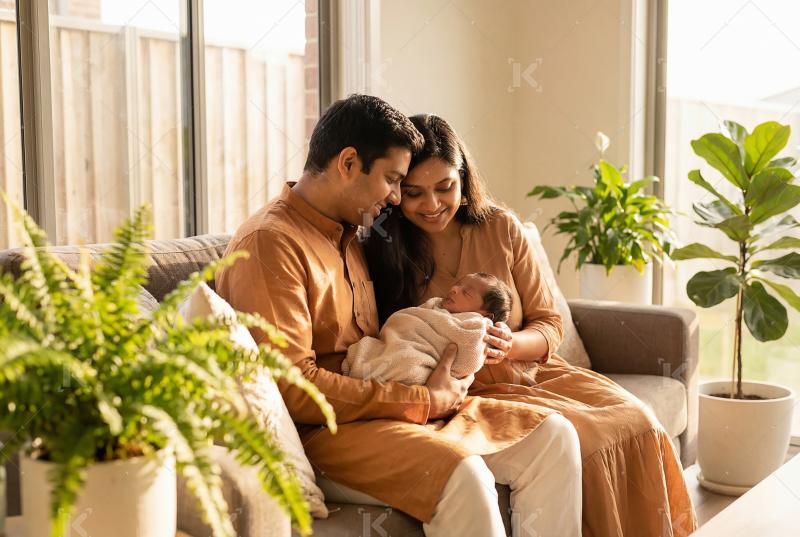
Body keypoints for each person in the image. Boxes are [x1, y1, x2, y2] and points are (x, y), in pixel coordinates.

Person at [216, 94, 582, 537]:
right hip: (329, 431)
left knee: (553, 437)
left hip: (390, 407)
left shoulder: (350, 233)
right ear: (348, 162)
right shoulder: (272, 244)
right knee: (463, 476)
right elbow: (295, 389)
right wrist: (424, 401)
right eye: (392, 180)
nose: (394, 197)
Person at [364, 112, 698, 536]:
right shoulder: (384, 249)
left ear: (464, 178)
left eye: (445, 187)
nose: (432, 205)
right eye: (414, 193)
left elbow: (549, 321)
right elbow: (387, 344)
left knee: (638, 422)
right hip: (466, 396)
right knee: (588, 443)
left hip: (536, 373)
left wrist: (511, 344)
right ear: (396, 193)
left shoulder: (501, 228)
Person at [342, 272, 513, 384]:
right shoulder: (435, 305)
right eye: (458, 284)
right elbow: (408, 322)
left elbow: (468, 360)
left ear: (485, 315)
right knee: (383, 350)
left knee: (406, 362)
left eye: (466, 293)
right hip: (402, 344)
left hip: (422, 363)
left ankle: (374, 375)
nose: (454, 289)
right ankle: (371, 366)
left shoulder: (477, 329)